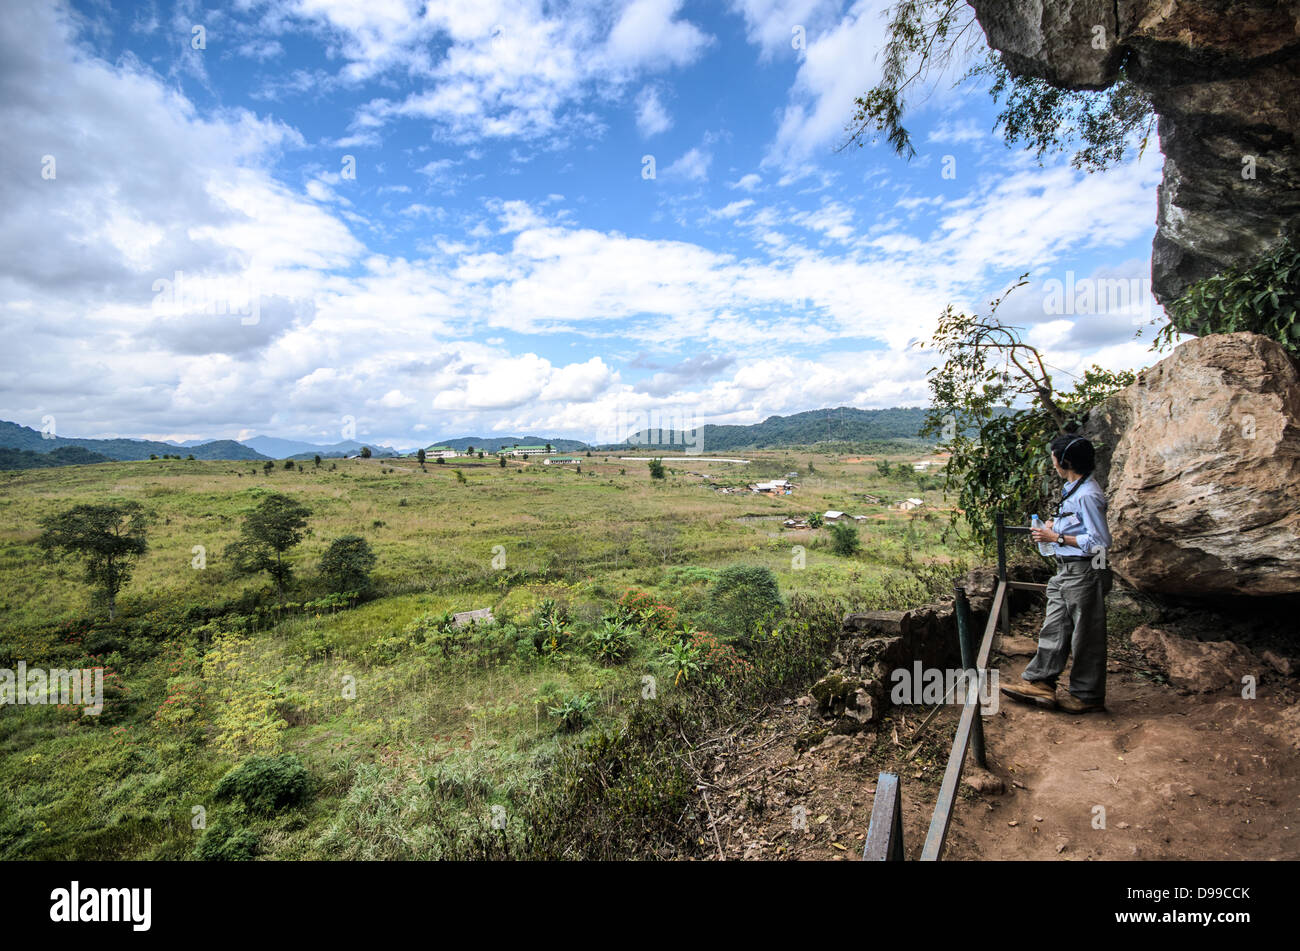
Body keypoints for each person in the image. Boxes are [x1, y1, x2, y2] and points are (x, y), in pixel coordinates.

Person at [1001, 434, 1113, 714]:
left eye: (1054, 458)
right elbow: (1078, 527)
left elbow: (1100, 542)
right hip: (1066, 570)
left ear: (1065, 461)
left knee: (1086, 634)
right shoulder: (1074, 488)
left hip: (1085, 570)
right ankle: (1040, 683)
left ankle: (1087, 695)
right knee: (1055, 626)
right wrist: (1054, 528)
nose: (1052, 463)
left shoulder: (1088, 495)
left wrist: (1057, 537)